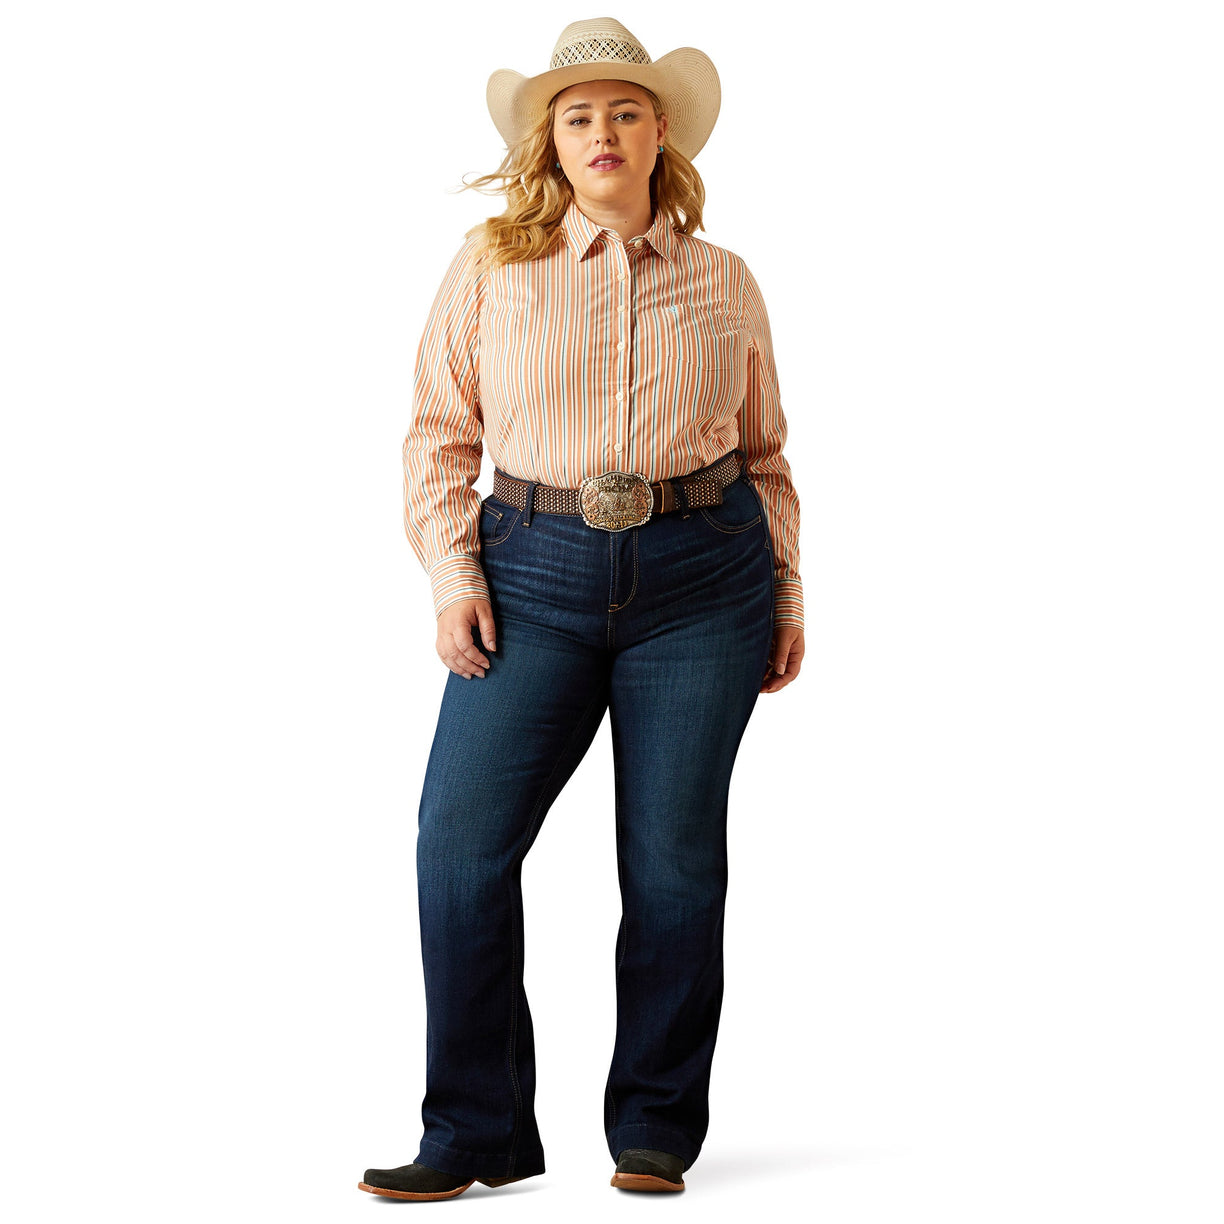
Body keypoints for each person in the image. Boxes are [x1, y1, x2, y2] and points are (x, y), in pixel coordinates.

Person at [359, 17, 805, 1202]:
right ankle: (475, 1132)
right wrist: (454, 577)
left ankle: (654, 1129)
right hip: (531, 577)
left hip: (705, 580)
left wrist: (787, 593)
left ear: (661, 134)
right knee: (459, 847)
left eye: (623, 111)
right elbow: (438, 434)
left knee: (673, 863)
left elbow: (765, 455)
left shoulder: (725, 279)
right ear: (550, 143)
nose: (601, 131)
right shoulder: (490, 266)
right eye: (576, 116)